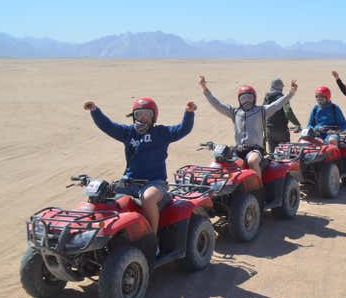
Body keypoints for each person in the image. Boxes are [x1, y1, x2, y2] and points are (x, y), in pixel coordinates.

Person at [83, 97, 195, 236]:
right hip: (129, 182)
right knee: (103, 197)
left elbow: (182, 129)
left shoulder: (161, 133)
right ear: (133, 116)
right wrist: (95, 111)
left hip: (155, 183)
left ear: (154, 116)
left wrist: (189, 113)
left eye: (147, 114)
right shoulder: (129, 133)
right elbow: (108, 126)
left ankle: (151, 237)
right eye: (138, 114)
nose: (142, 118)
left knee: (147, 199)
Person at [199, 75, 298, 179]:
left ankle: (258, 190)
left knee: (252, 161)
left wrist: (291, 93)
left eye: (249, 98)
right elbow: (217, 104)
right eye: (243, 98)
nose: (246, 101)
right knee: (223, 162)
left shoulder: (261, 111)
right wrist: (205, 89)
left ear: (254, 98)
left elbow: (277, 104)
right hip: (238, 150)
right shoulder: (234, 112)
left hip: (255, 150)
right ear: (239, 100)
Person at [263, 78, 302, 153]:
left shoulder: (267, 98)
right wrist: (297, 124)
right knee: (286, 154)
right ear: (280, 87)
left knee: (272, 155)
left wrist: (265, 132)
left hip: (269, 131)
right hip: (281, 130)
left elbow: (262, 114)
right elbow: (288, 112)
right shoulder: (282, 98)